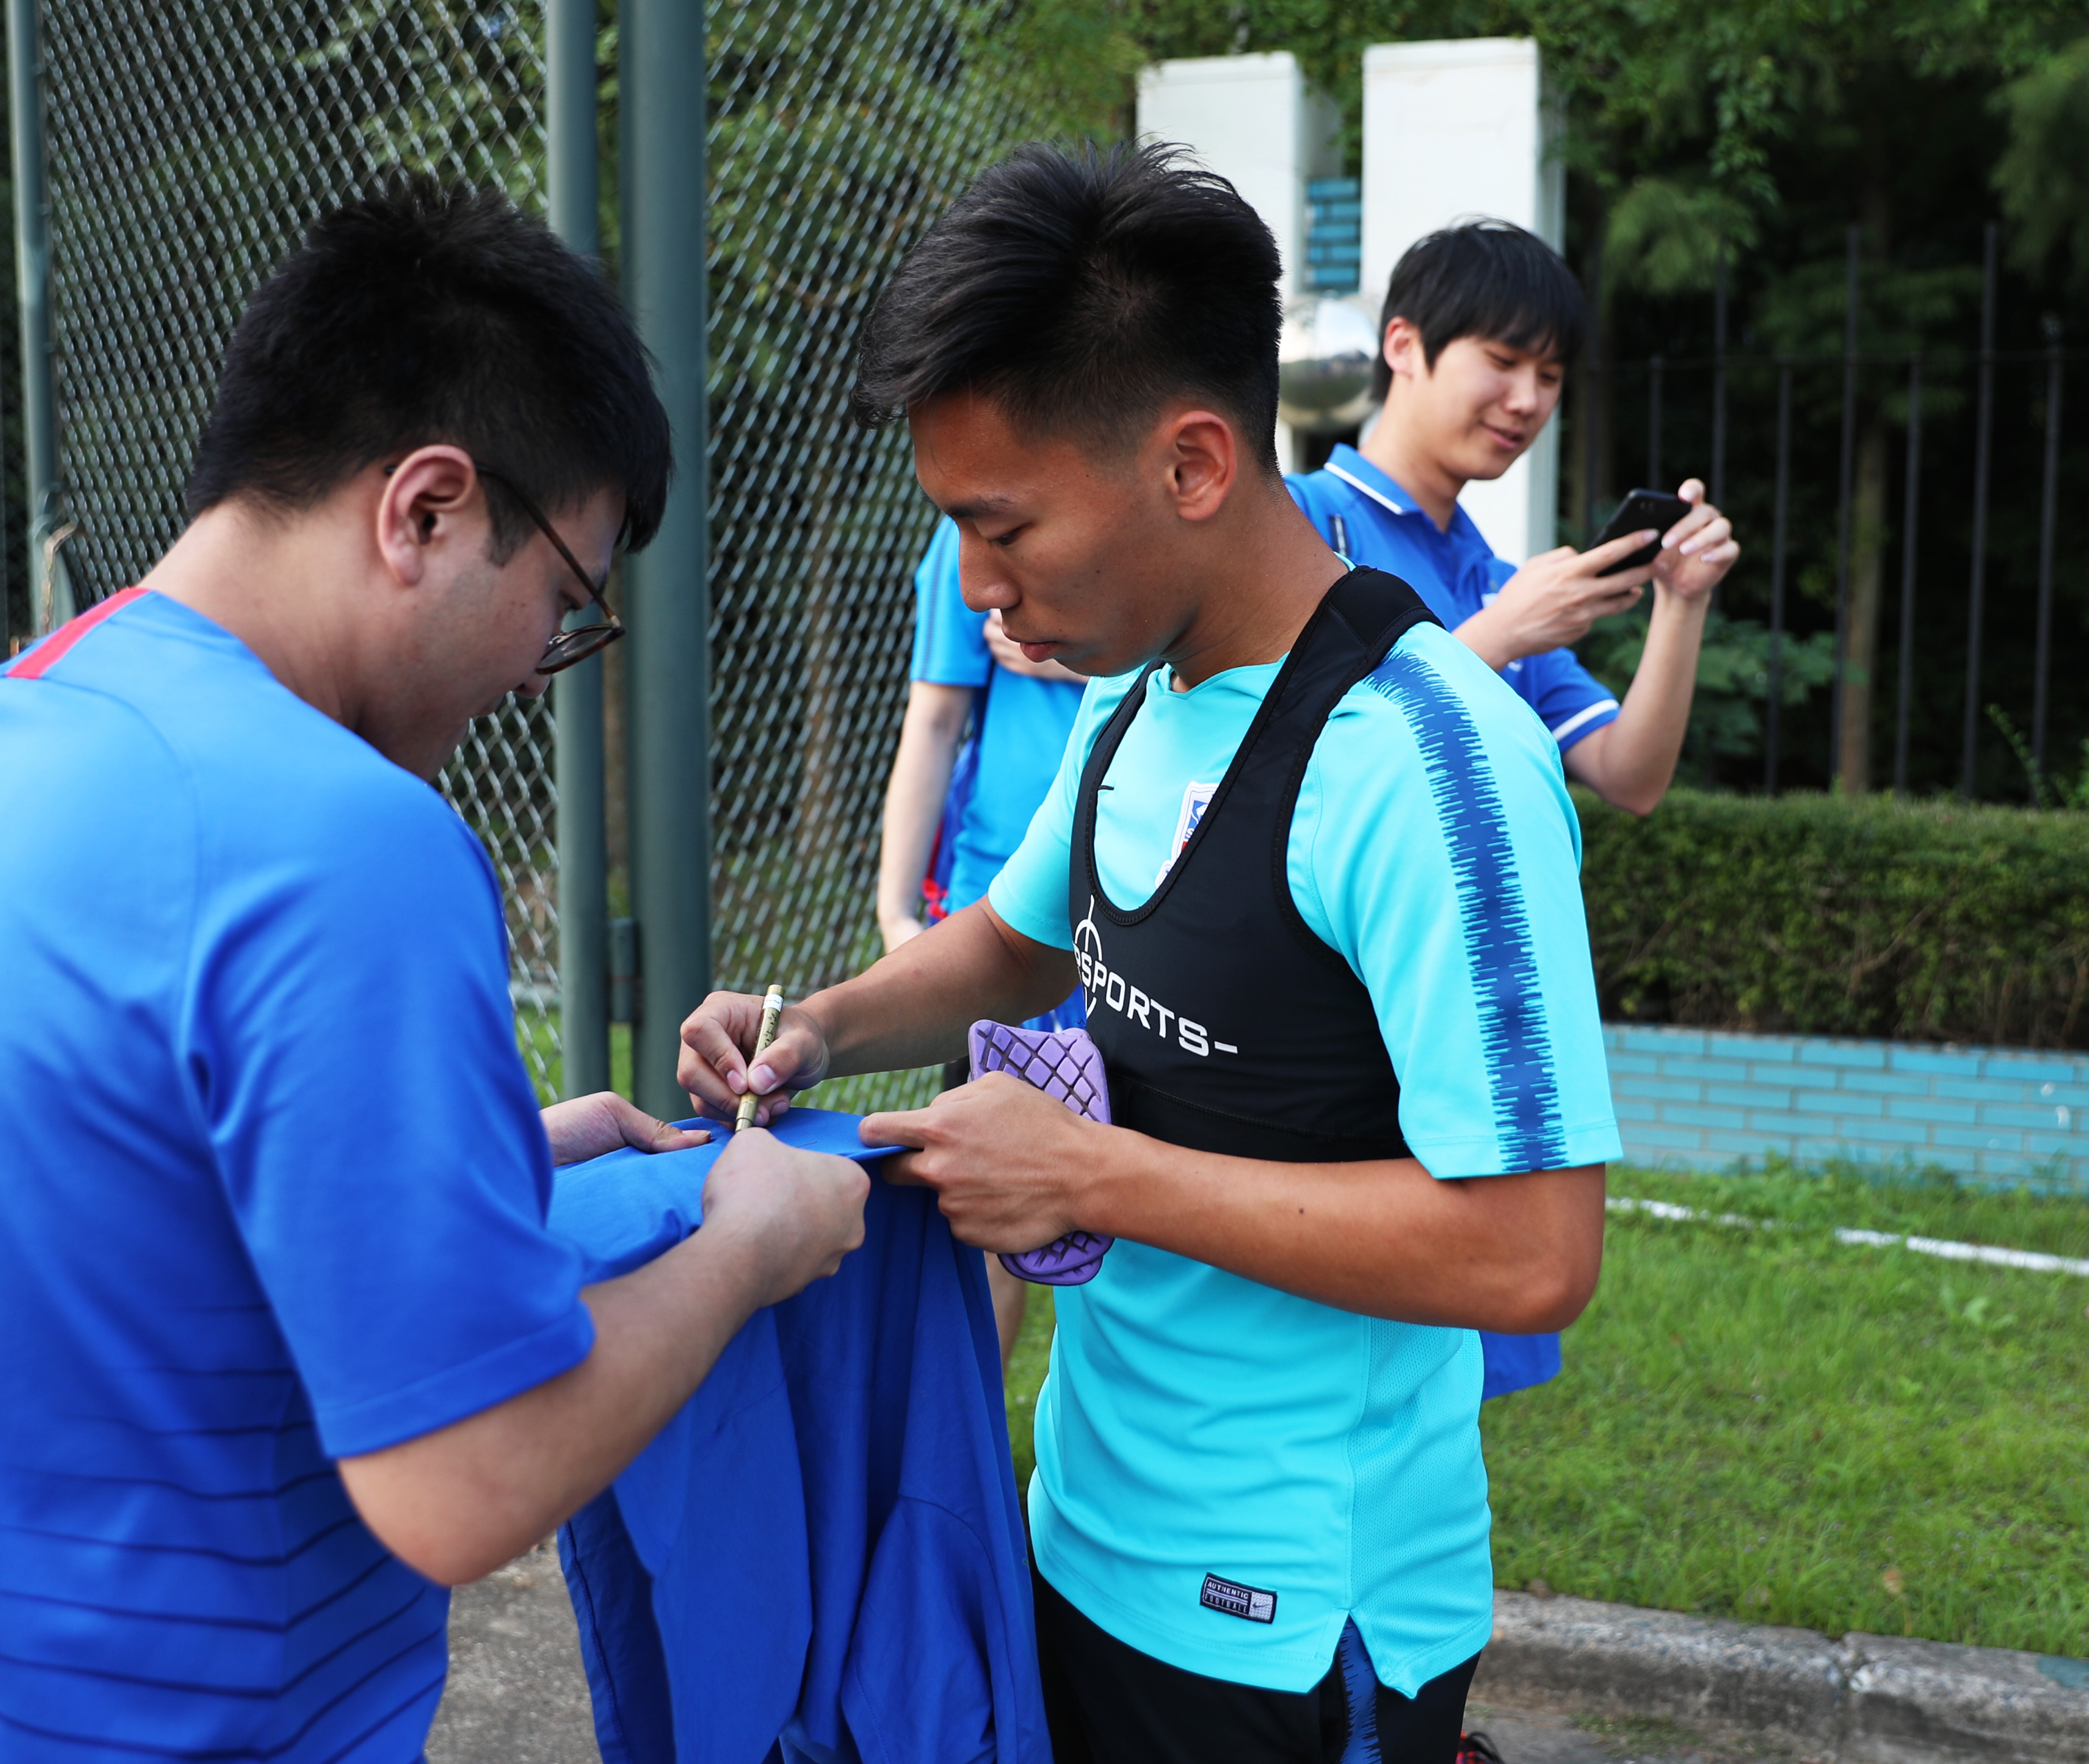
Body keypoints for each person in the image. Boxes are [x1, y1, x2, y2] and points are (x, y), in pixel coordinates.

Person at [0, 175, 872, 1763]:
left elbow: (91, 1200)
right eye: (565, 605)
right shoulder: (343, 843)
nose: (541, 671)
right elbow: (462, 1479)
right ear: (428, 508)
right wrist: (747, 1233)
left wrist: (485, 1157)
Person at [681, 143, 1620, 1764]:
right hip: (1081, 1533)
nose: (978, 589)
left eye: (1003, 527)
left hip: (1293, 1622)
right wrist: (814, 1023)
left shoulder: (1424, 761)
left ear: (1191, 462)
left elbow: (1531, 1248)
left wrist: (1093, 1174)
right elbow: (1010, 940)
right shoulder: (1135, 692)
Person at [1284, 221, 1737, 1401]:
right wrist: (1493, 640)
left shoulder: (1492, 568)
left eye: (1550, 375)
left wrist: (1678, 605)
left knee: (1437, 1368)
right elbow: (1280, 753)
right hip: (1326, 1015)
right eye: (1502, 359)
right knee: (1341, 1352)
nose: (1527, 397)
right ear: (1404, 346)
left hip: (1459, 998)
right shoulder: (1300, 524)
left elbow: (1630, 775)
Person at [877, 517, 1088, 1356]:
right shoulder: (964, 538)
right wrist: (898, 912)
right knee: (995, 1221)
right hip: (999, 910)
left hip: (1141, 913)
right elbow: (931, 723)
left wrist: (1076, 653)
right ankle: (971, 1467)